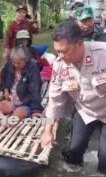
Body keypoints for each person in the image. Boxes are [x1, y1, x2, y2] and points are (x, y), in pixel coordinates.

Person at [40, 19, 106, 174]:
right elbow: (55, 101)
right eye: (57, 51)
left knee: (105, 161)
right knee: (72, 153)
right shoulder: (59, 65)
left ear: (80, 44)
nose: (61, 56)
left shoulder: (103, 54)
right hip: (85, 112)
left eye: (65, 51)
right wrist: (48, 130)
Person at [0, 47, 43, 121]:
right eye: (14, 62)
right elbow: (5, 77)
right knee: (0, 105)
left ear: (25, 60)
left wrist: (36, 110)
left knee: (18, 114)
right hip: (12, 101)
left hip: (25, 103)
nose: (15, 65)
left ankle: (6, 119)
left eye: (18, 63)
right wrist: (6, 89)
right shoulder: (10, 65)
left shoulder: (33, 68)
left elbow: (35, 90)